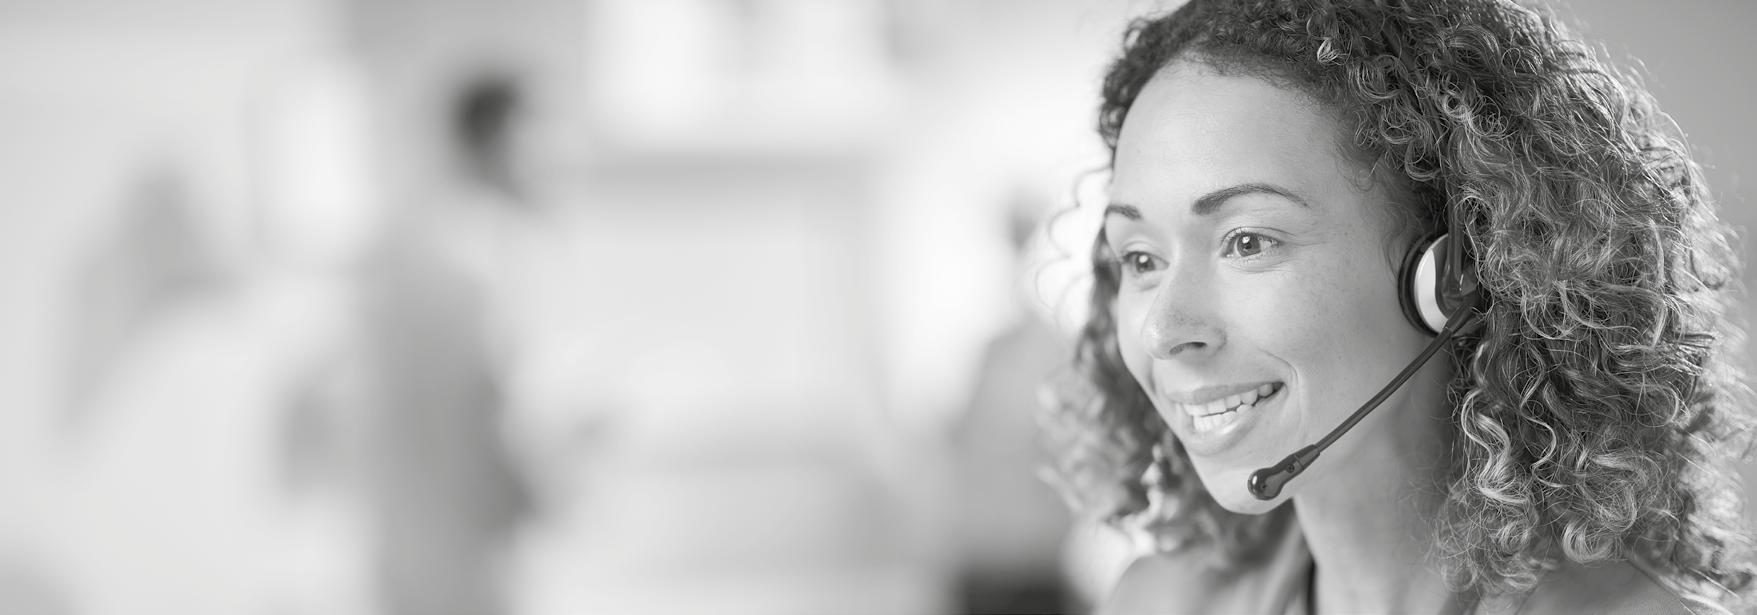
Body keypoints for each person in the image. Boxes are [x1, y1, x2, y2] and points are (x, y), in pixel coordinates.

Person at [1040, 0, 1756, 613]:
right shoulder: (1158, 601)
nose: (1163, 330)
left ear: (1454, 278)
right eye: (1140, 259)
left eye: (1248, 242)